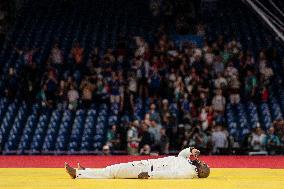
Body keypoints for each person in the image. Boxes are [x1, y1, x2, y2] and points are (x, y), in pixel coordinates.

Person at [65, 147, 210, 179]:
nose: (202, 162)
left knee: (114, 171)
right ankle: (86, 171)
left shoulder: (189, 172)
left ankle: (78, 174)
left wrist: (150, 175)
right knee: (114, 168)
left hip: (148, 169)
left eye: (204, 165)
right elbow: (181, 155)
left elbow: (171, 175)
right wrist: (190, 149)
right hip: (148, 163)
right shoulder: (188, 164)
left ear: (202, 171)